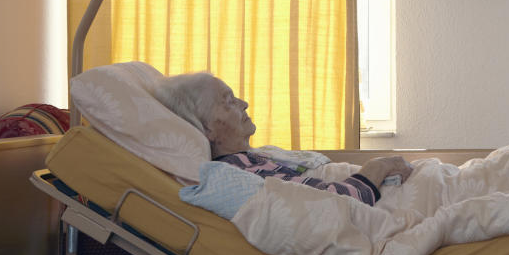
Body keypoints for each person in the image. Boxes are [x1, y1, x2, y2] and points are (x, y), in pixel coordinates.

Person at [152, 72, 413, 206]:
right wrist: (377, 166)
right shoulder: (236, 173)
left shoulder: (252, 158)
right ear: (207, 128)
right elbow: (337, 205)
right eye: (229, 101)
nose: (244, 104)